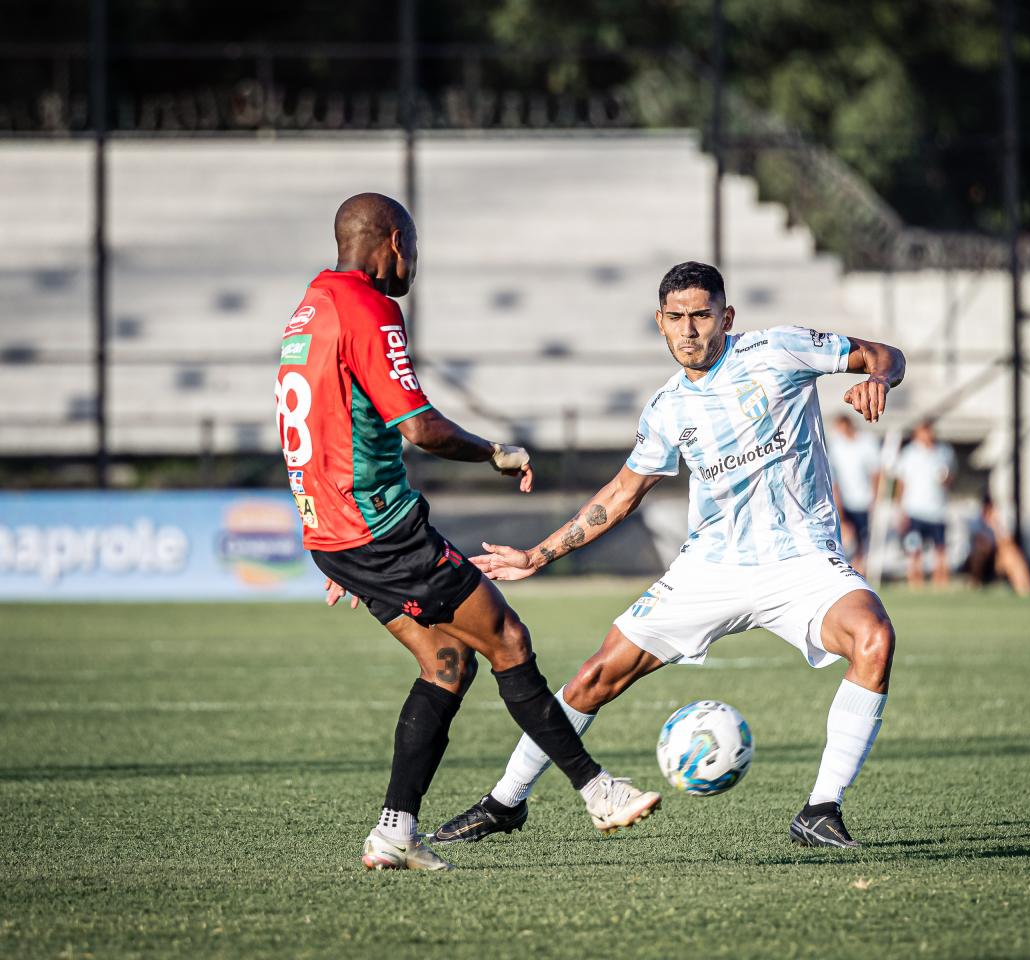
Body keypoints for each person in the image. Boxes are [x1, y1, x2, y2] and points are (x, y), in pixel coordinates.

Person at [432, 261, 905, 849]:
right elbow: (622, 495)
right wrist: (538, 555)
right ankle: (504, 802)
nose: (689, 330)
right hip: (710, 569)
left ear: (725, 317)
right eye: (676, 318)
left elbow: (882, 353)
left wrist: (879, 380)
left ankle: (821, 809)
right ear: (659, 323)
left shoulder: (779, 349)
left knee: (874, 639)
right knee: (594, 677)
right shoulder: (666, 409)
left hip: (800, 560)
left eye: (702, 316)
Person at [275, 193, 660, 872]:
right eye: (413, 250)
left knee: (447, 665)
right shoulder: (367, 306)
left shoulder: (307, 313)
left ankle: (395, 831)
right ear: (392, 242)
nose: (413, 266)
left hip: (333, 532)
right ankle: (598, 790)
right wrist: (493, 452)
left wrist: (339, 547)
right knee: (508, 639)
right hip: (379, 529)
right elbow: (419, 427)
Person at [893, 420, 956, 589]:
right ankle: (915, 582)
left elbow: (950, 479)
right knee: (914, 549)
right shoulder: (909, 453)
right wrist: (899, 509)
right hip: (914, 509)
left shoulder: (944, 452)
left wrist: (945, 479)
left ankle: (940, 582)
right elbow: (901, 483)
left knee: (940, 549)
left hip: (937, 509)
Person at [828, 414, 882, 572]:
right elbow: (834, 477)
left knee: (861, 540)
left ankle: (859, 570)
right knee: (844, 539)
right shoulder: (836, 446)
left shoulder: (866, 442)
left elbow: (876, 472)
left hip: (863, 500)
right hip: (843, 500)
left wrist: (875, 497)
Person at [964, 495, 1030, 597]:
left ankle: (1023, 586)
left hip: (999, 556)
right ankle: (975, 582)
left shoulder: (1000, 521)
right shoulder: (976, 521)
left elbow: (1007, 542)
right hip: (983, 558)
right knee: (979, 552)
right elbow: (978, 542)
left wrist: (995, 525)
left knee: (1010, 554)